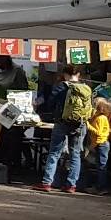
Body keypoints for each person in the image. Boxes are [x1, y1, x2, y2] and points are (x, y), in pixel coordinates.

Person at [38, 63, 96, 193]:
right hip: (80, 124)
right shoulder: (86, 88)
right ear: (78, 75)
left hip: (62, 122)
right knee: (75, 154)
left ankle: (47, 182)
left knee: (54, 153)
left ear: (65, 74)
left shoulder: (62, 87)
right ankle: (71, 185)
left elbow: (50, 103)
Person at [87, 97, 111, 195]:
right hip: (100, 143)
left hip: (102, 144)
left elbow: (98, 132)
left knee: (101, 166)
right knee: (100, 166)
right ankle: (99, 186)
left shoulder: (101, 118)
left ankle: (101, 188)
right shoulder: (98, 117)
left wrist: (88, 126)